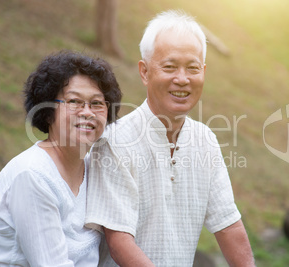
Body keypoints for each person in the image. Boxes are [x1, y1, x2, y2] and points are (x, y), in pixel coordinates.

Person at [85, 10, 255, 266]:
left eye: (193, 68)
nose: (182, 79)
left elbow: (229, 226)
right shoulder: (115, 141)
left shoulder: (205, 140)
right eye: (170, 66)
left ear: (204, 72)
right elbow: (119, 241)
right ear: (144, 72)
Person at [0, 50, 122, 266]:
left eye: (97, 103)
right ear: (47, 111)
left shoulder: (94, 168)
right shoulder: (33, 175)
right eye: (74, 101)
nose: (88, 112)